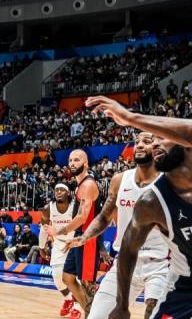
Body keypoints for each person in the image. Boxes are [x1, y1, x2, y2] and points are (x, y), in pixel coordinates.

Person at [83, 97, 192, 319]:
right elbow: (126, 248)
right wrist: (122, 306)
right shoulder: (151, 201)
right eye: (148, 141)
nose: (154, 145)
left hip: (160, 264)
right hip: (182, 283)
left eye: (162, 138)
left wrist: (130, 118)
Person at [63, 132, 168, 319]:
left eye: (147, 141)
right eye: (137, 142)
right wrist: (84, 237)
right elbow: (104, 216)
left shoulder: (170, 183)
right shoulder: (120, 180)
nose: (140, 145)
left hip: (160, 264)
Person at [46, 149, 103, 317]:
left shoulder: (87, 185)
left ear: (85, 164)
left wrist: (59, 231)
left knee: (87, 285)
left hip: (88, 238)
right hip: (80, 236)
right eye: (70, 160)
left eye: (77, 160)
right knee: (67, 277)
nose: (72, 163)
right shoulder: (80, 184)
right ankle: (89, 312)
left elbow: (82, 217)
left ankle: (93, 314)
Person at [40, 184, 77, 317]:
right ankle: (68, 299)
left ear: (68, 193)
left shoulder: (75, 206)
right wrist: (41, 247)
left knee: (74, 278)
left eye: (62, 190)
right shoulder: (48, 208)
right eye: (56, 190)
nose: (59, 192)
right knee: (57, 276)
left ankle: (77, 306)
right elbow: (43, 228)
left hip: (75, 243)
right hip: (59, 243)